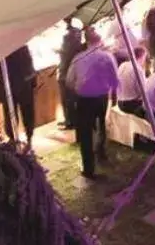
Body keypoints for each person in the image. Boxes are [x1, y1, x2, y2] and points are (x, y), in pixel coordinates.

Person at [64, 31, 121, 178]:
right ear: (100, 41)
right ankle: (101, 152)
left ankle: (88, 167)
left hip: (83, 99)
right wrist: (113, 94)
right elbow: (115, 79)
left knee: (85, 133)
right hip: (101, 97)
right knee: (101, 124)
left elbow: (69, 81)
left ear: (86, 41)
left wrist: (78, 88)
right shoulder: (107, 57)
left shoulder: (78, 58)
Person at [0, 44, 38, 149]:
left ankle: (13, 140)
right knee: (27, 113)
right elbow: (30, 66)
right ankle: (29, 138)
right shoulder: (22, 47)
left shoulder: (2, 50)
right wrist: (32, 82)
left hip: (9, 88)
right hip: (24, 87)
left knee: (10, 114)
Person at [54, 20, 86, 130]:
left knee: (67, 99)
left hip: (66, 72)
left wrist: (59, 51)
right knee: (72, 98)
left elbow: (67, 54)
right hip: (75, 72)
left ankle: (70, 121)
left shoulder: (67, 37)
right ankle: (72, 119)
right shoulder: (78, 35)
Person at [115, 45, 149, 117]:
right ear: (142, 57)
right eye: (145, 57)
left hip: (120, 102)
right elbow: (142, 91)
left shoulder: (122, 65)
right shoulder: (138, 69)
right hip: (131, 105)